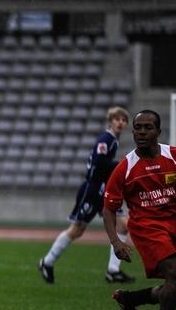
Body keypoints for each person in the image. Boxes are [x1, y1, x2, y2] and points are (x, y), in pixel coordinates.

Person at [103, 110, 176, 310]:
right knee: (175, 275)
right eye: (138, 128)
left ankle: (129, 299)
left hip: (173, 225)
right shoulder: (125, 168)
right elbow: (109, 208)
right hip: (146, 227)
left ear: (158, 131)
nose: (142, 132)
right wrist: (116, 242)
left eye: (148, 127)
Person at [38, 106, 135, 284]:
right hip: (92, 190)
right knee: (77, 229)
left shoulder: (113, 140)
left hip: (104, 190)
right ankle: (47, 262)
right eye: (117, 119)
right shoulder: (106, 139)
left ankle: (113, 270)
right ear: (110, 121)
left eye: (124, 120)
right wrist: (121, 166)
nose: (120, 122)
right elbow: (99, 162)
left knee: (123, 225)